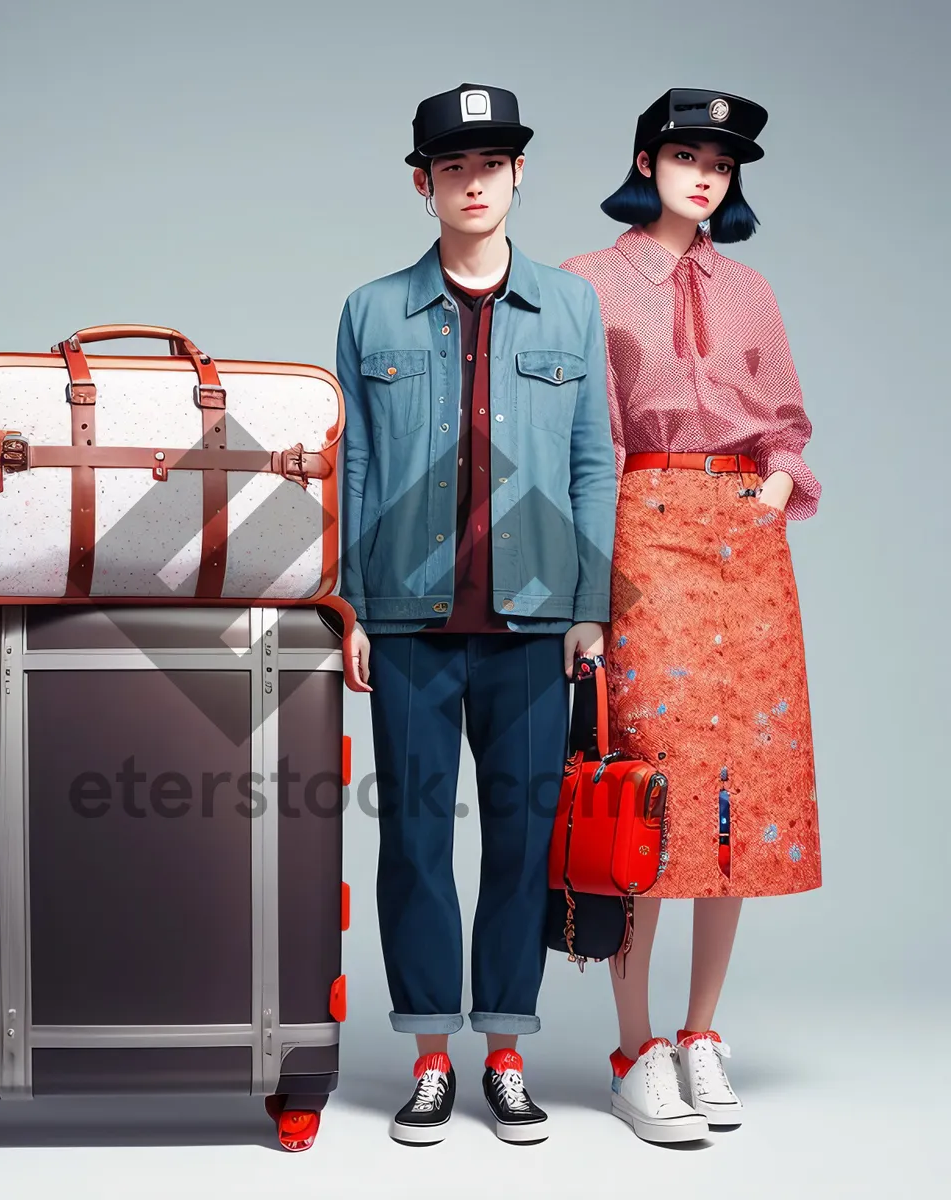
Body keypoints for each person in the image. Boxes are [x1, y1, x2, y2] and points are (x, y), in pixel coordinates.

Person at [335, 82, 616, 1145]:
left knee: (520, 836)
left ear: (516, 178)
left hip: (539, 624)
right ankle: (428, 1059)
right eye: (453, 167)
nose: (474, 183)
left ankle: (505, 1050)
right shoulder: (371, 310)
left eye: (491, 166)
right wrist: (350, 608)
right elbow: (353, 467)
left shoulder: (572, 309)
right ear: (425, 183)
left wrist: (590, 606)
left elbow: (596, 460)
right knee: (412, 838)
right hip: (406, 623)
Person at [560, 88, 822, 1144]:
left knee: (739, 789)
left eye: (722, 160)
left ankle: (703, 1033)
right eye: (685, 153)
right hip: (644, 530)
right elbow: (588, 444)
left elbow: (789, 425)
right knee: (651, 788)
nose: (705, 174)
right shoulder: (588, 283)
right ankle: (635, 1047)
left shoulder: (751, 290)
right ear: (646, 160)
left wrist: (778, 481)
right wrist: (591, 588)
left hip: (746, 545)